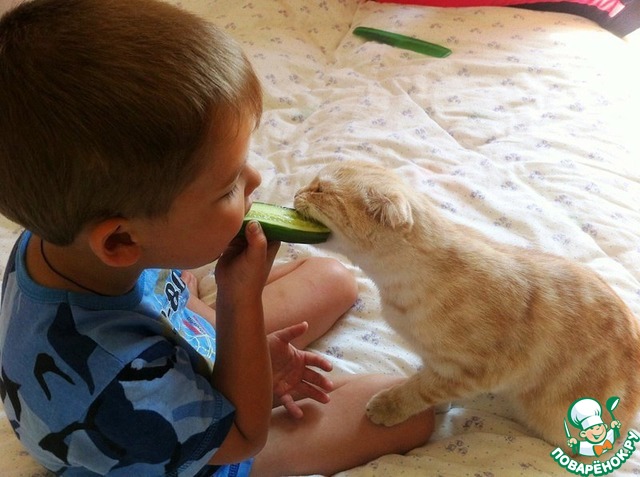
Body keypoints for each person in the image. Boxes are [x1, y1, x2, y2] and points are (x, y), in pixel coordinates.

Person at [0, 1, 435, 476]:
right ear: (121, 242)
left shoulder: (68, 238)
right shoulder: (115, 382)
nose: (256, 179)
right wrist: (240, 305)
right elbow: (247, 435)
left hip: (172, 358)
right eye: (228, 186)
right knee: (407, 411)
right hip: (186, 446)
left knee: (333, 278)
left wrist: (198, 309)